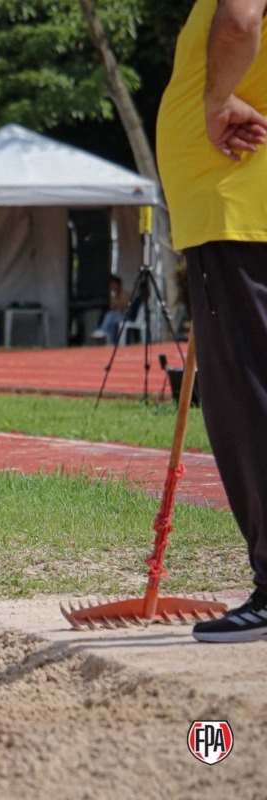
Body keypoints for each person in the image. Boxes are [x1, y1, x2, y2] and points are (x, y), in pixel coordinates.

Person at [157, 0, 267, 642]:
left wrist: (214, 101)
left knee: (250, 399)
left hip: (237, 207)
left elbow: (238, 18)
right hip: (238, 210)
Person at [90, 274, 135, 344]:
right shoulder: (113, 295)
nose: (111, 287)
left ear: (118, 285)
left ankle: (103, 330)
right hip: (117, 316)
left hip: (126, 316)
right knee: (111, 320)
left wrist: (119, 309)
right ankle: (112, 343)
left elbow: (127, 308)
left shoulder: (125, 294)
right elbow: (112, 307)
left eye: (113, 284)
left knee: (109, 315)